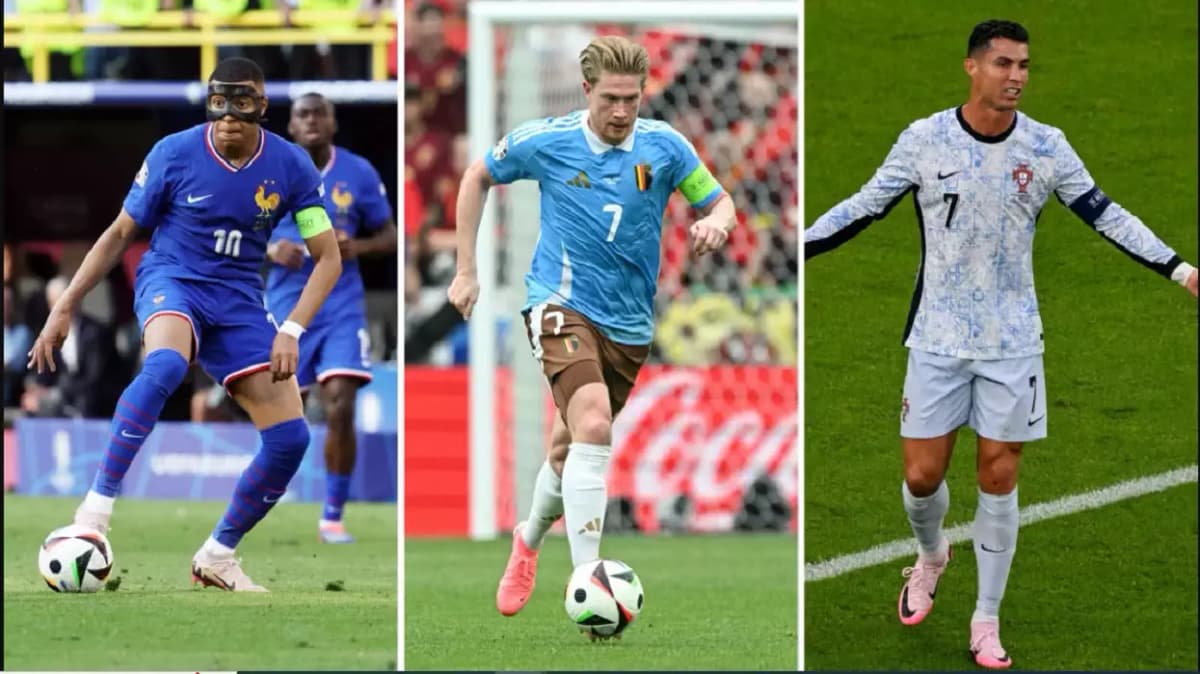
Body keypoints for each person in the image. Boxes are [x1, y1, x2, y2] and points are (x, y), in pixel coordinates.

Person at [803, 20, 1199, 669]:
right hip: (936, 336)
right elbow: (860, 208)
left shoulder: (1046, 147)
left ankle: (985, 620)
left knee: (1000, 473)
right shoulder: (924, 140)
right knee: (921, 477)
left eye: (1023, 66)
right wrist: (795, 250)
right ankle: (931, 555)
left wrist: (1181, 270)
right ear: (972, 67)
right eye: (1004, 63)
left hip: (1014, 342)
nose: (1016, 76)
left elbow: (1107, 214)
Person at [447, 35, 737, 625]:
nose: (621, 111)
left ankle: (526, 543)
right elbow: (476, 177)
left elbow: (721, 201)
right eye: (610, 98)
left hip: (628, 324)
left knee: (567, 448)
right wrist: (466, 270)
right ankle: (590, 580)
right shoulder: (547, 140)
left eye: (632, 98)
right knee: (596, 426)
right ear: (587, 92)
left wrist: (719, 224)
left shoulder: (664, 147)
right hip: (557, 303)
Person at [27, 57, 342, 592]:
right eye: (219, 105)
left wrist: (291, 330)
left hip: (240, 300)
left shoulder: (291, 167)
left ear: (261, 109)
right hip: (174, 279)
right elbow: (122, 231)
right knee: (168, 363)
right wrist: (65, 307)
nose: (228, 119)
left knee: (290, 439)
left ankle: (217, 555)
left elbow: (327, 256)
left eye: (241, 107)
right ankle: (94, 512)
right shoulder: (173, 152)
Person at [266, 92, 396, 543]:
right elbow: (240, 224)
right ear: (291, 126)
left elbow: (390, 235)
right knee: (278, 409)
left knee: (341, 402)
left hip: (342, 305)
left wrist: (356, 247)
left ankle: (333, 515)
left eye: (320, 113)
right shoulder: (271, 169)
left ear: (334, 123)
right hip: (286, 302)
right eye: (303, 114)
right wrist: (269, 249)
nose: (313, 121)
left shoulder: (358, 173)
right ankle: (268, 487)